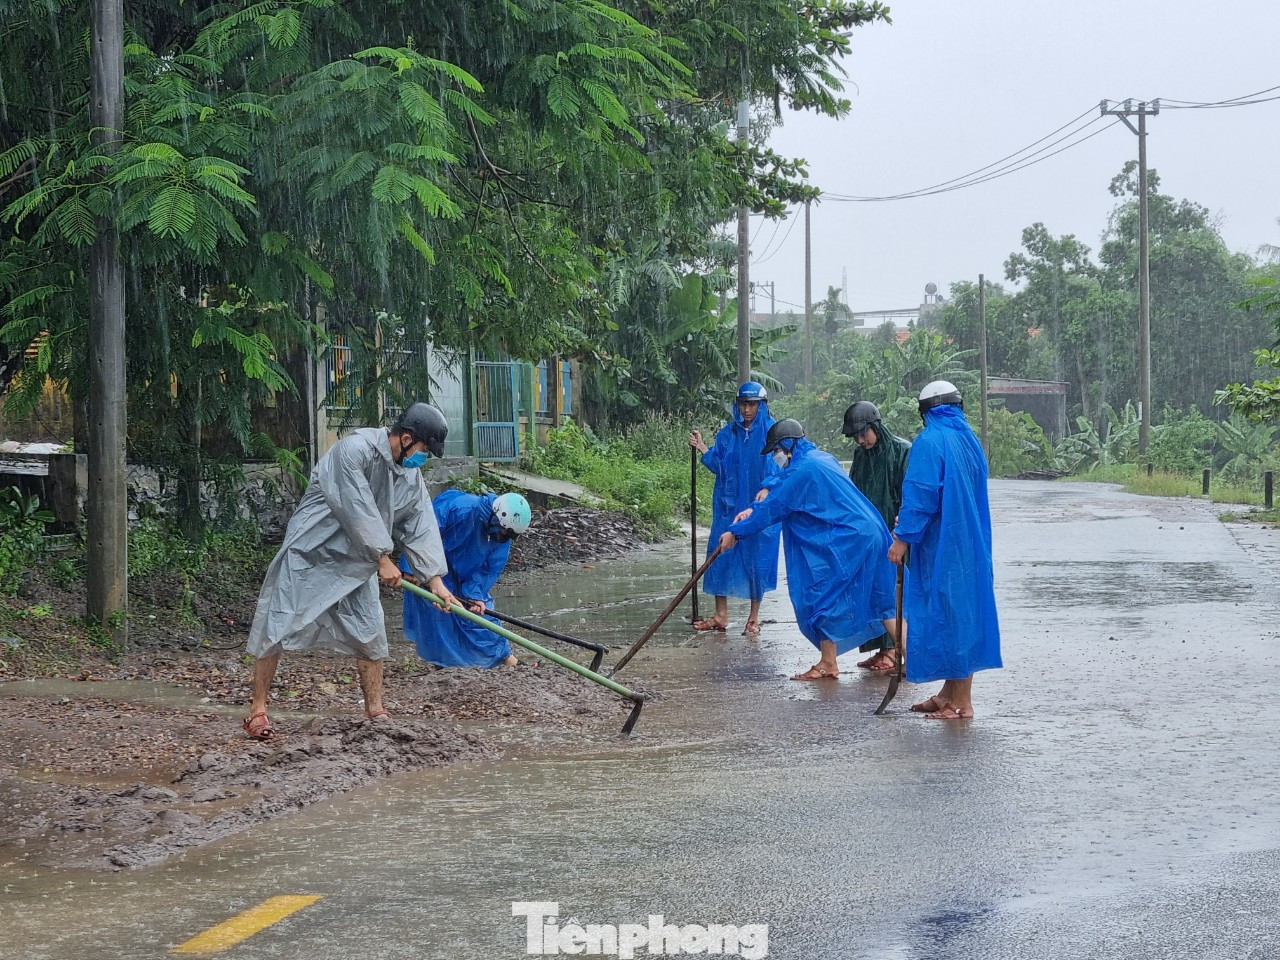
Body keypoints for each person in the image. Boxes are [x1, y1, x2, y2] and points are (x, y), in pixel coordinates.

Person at [241, 402, 459, 740]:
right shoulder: (353, 451)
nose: (424, 457)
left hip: (357, 563)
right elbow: (354, 506)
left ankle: (376, 710)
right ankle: (257, 710)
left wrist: (436, 582)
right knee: (277, 625)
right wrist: (382, 558)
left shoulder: (409, 475)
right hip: (311, 552)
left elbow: (420, 524)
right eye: (424, 449)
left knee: (371, 634)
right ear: (405, 439)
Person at [718, 418, 904, 680]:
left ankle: (828, 663)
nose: (775, 457)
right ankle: (915, 661)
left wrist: (735, 533)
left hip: (850, 539)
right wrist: (756, 505)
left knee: (822, 595)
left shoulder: (802, 471)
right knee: (883, 602)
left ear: (788, 446)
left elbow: (775, 508)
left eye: (776, 451)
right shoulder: (819, 458)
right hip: (871, 533)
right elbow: (781, 484)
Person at [888, 381, 1001, 720]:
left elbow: (922, 493)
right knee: (961, 613)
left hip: (944, 545)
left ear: (925, 412)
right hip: (970, 543)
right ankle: (948, 693)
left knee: (955, 618)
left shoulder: (930, 441)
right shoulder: (969, 441)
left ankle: (961, 702)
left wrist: (902, 538)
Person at [689, 381, 782, 635]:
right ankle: (721, 614)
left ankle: (753, 618)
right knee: (720, 553)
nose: (747, 410)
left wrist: (768, 487)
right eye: (743, 404)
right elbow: (721, 466)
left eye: (752, 404)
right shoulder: (727, 434)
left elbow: (783, 465)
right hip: (728, 506)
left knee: (757, 559)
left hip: (759, 507)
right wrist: (703, 449)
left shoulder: (774, 434)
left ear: (761, 406)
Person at [400, 490, 531, 668]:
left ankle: (506, 658)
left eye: (507, 533)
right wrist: (412, 567)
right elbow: (422, 532)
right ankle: (445, 664)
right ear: (498, 517)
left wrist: (474, 594)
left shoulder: (502, 537)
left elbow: (490, 568)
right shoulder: (461, 508)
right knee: (438, 612)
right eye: (503, 530)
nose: (503, 535)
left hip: (466, 576)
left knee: (480, 614)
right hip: (432, 567)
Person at [842, 400, 912, 674]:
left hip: (894, 534)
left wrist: (903, 531)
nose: (861, 441)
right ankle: (881, 648)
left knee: (893, 591)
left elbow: (910, 494)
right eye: (857, 437)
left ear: (875, 427)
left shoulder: (901, 451)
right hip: (868, 536)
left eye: (864, 434)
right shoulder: (861, 456)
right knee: (873, 590)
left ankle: (895, 649)